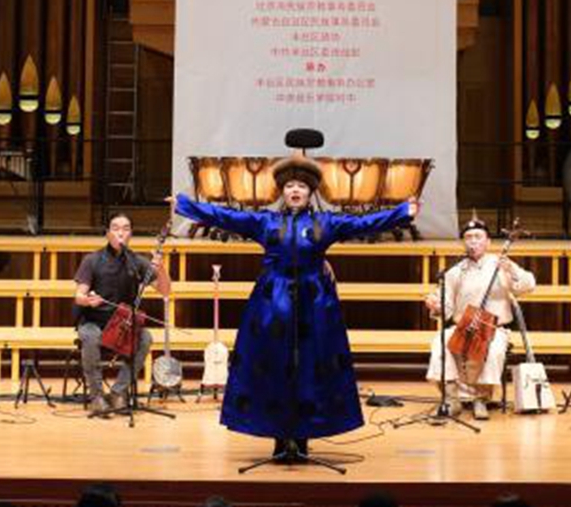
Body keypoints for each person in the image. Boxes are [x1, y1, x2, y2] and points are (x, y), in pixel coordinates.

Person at [171, 153, 419, 458]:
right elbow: (225, 216)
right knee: (274, 367)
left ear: (310, 191)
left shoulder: (326, 222)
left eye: (301, 186)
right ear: (283, 191)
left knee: (310, 368)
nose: (295, 191)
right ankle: (278, 437)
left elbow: (364, 223)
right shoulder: (266, 221)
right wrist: (185, 205)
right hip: (272, 303)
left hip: (315, 304)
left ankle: (303, 437)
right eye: (290, 186)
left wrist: (403, 212)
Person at [424, 216, 536, 419]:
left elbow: (528, 285)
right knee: (440, 344)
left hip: (494, 328)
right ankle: (451, 398)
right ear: (463, 243)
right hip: (463, 326)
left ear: (488, 242)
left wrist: (511, 270)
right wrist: (436, 305)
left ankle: (481, 399)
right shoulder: (455, 271)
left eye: (478, 237)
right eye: (468, 237)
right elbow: (446, 306)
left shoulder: (500, 264)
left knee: (492, 349)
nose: (473, 241)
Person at [72, 213, 173, 415]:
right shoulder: (92, 260)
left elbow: (165, 290)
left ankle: (118, 392)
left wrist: (161, 268)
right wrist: (88, 300)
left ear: (131, 234)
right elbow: (78, 296)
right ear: (108, 233)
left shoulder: (137, 262)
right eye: (115, 228)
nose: (120, 232)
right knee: (90, 337)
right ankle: (97, 396)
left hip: (122, 324)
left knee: (145, 338)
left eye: (125, 228)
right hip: (94, 321)